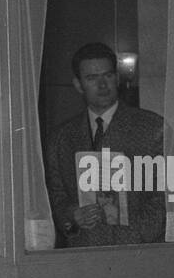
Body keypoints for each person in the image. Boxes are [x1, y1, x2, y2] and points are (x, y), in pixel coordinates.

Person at [45, 43, 167, 246]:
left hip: (140, 253)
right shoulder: (61, 138)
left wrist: (133, 238)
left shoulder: (153, 128)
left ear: (117, 78)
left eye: (108, 76)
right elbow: (56, 197)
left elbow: (166, 195)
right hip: (83, 254)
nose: (102, 85)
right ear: (78, 85)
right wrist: (72, 217)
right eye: (92, 78)